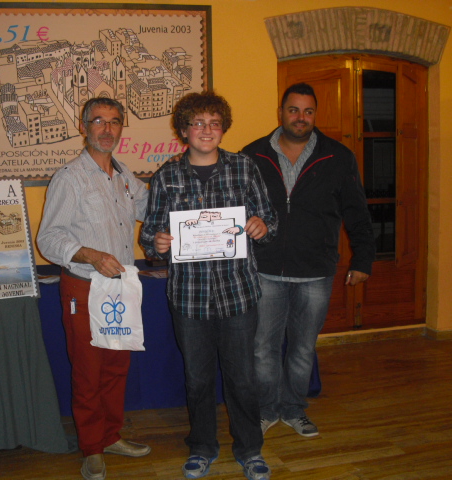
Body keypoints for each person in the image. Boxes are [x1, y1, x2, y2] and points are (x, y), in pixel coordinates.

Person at [140, 91, 278, 480]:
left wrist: (262, 227)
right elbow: (150, 235)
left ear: (223, 128)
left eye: (214, 123)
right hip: (189, 298)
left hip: (238, 293)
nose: (206, 130)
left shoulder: (244, 168)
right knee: (198, 379)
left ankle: (250, 449)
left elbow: (269, 219)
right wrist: (157, 244)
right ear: (184, 129)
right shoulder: (167, 175)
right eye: (198, 123)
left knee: (242, 379)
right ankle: (202, 447)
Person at [241, 83, 376, 438]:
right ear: (280, 112)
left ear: (315, 114)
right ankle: (266, 409)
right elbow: (233, 205)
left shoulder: (338, 157)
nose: (300, 117)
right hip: (265, 270)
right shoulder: (252, 155)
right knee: (263, 348)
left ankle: (293, 409)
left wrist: (363, 259)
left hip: (316, 272)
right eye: (293, 110)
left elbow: (357, 211)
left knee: (303, 349)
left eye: (308, 111)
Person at [37, 97, 151, 480]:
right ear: (83, 127)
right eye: (98, 121)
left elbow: (151, 208)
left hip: (121, 288)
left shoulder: (124, 175)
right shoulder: (70, 177)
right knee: (88, 372)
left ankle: (110, 436)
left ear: (121, 128)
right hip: (84, 288)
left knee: (116, 369)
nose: (107, 129)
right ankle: (92, 449)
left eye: (114, 121)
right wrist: (90, 254)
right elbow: (49, 238)